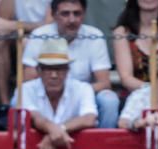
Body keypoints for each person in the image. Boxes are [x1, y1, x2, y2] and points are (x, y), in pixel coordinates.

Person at [23, 0, 120, 128]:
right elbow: (29, 79)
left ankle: (105, 145)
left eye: (77, 13)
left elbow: (104, 83)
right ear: (53, 15)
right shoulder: (39, 35)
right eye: (65, 14)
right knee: (17, 100)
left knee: (109, 100)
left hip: (82, 96)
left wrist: (76, 92)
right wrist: (58, 90)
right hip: (47, 95)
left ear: (84, 14)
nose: (72, 19)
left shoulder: (94, 35)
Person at [12, 37, 97, 149]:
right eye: (48, 69)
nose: (54, 75)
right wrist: (53, 129)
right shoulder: (25, 90)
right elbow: (34, 116)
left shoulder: (82, 88)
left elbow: (89, 118)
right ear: (39, 70)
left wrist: (57, 130)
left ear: (67, 70)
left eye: (59, 69)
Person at [0, 0, 51, 129]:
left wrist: (15, 25)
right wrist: (14, 27)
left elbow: (50, 23)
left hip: (47, 36)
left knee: (26, 43)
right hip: (18, 34)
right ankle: (5, 106)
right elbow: (0, 22)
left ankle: (26, 106)